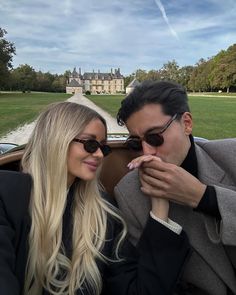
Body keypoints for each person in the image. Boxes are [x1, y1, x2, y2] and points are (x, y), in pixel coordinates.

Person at [0, 101, 190, 295]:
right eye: (90, 144)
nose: (99, 155)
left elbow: (141, 290)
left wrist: (159, 205)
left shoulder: (102, 214)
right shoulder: (6, 193)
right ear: (57, 140)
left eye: (103, 148)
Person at [115, 80, 236, 295]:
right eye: (136, 142)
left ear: (187, 123)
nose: (147, 151)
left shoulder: (231, 156)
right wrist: (159, 214)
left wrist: (203, 197)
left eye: (154, 137)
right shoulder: (129, 193)